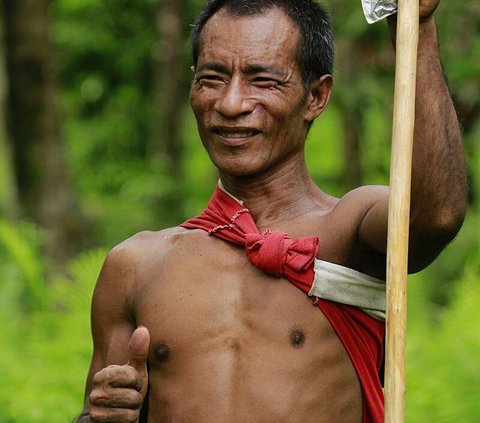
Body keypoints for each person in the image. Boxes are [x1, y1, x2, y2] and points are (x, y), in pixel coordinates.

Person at [76, 0, 467, 422]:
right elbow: (96, 412)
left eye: (262, 80)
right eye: (212, 78)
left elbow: (435, 215)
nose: (230, 103)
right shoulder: (136, 266)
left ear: (316, 96)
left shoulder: (347, 232)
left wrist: (418, 28)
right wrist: (102, 416)